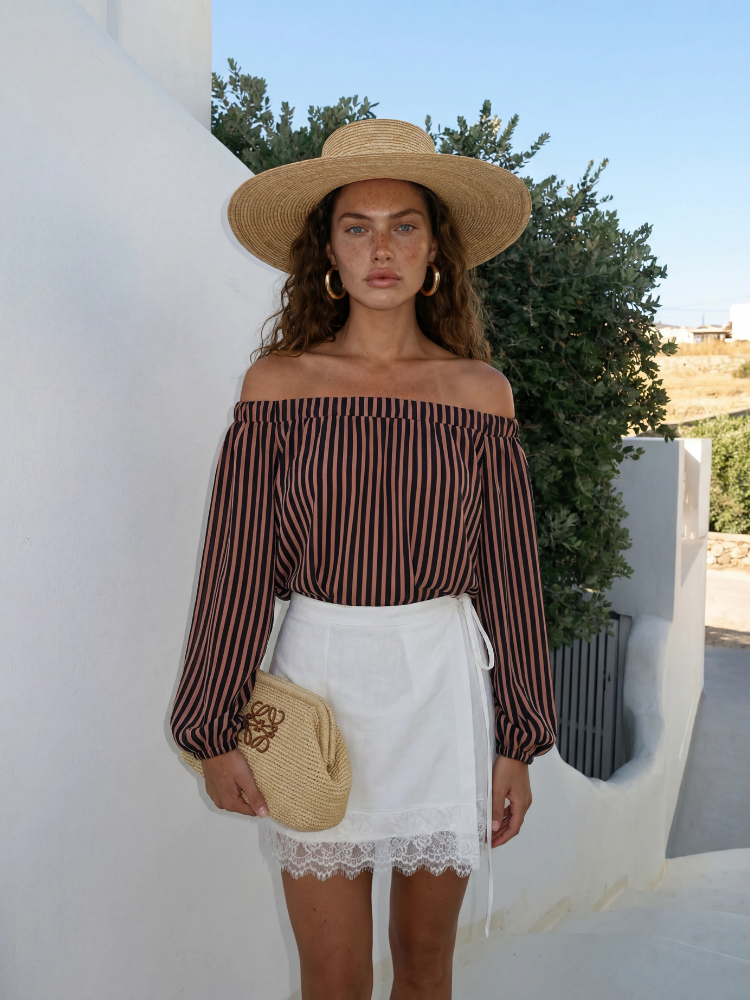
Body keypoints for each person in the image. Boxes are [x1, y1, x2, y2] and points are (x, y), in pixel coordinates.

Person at [171, 119, 556, 1000]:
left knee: (424, 965)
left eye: (403, 225)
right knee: (335, 977)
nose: (381, 249)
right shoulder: (278, 387)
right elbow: (234, 569)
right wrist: (211, 728)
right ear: (329, 253)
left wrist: (520, 740)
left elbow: (511, 578)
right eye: (357, 227)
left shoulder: (480, 396)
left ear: (434, 251)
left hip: (440, 691)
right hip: (318, 688)